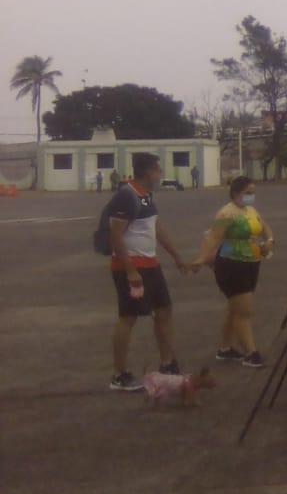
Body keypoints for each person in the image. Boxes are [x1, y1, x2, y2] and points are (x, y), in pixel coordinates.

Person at [105, 152, 189, 391]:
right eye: (158, 170)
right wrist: (131, 271)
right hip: (131, 266)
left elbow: (156, 227)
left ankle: (167, 363)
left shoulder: (147, 195)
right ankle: (119, 375)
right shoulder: (127, 196)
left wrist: (175, 256)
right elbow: (115, 235)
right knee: (128, 318)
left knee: (164, 310)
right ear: (148, 172)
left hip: (151, 264)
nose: (160, 174)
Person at [192, 175, 274, 368]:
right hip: (232, 265)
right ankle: (251, 353)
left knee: (234, 309)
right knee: (244, 311)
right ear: (236, 193)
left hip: (251, 263)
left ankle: (225, 348)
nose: (251, 196)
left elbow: (264, 227)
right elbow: (213, 237)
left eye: (253, 193)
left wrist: (269, 241)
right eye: (248, 193)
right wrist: (201, 259)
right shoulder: (226, 214)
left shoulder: (250, 210)